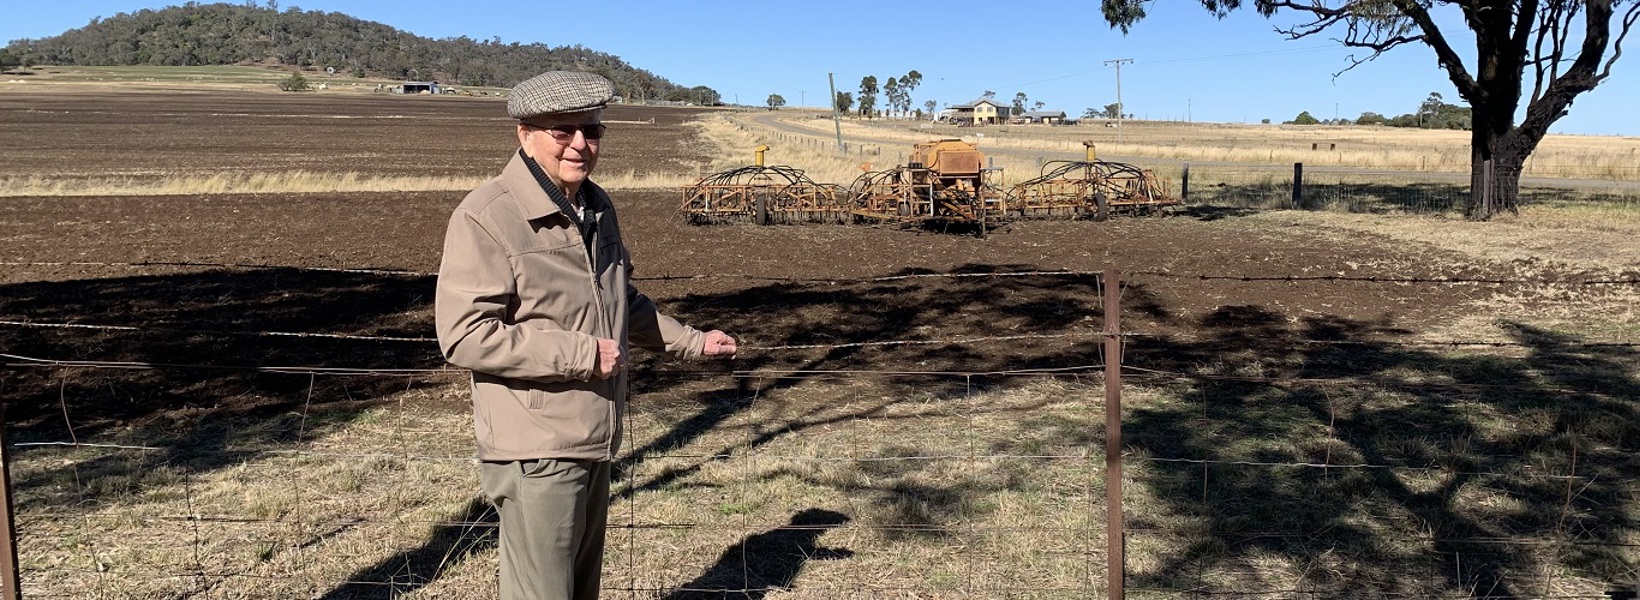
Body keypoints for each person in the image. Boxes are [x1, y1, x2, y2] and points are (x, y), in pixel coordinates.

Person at [434, 70, 736, 600]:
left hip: (595, 437)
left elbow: (624, 303)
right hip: (536, 448)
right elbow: (463, 334)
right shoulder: (487, 217)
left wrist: (693, 340)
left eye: (592, 131)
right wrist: (578, 354)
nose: (580, 144)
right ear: (524, 134)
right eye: (562, 131)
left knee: (577, 590)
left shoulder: (596, 207)